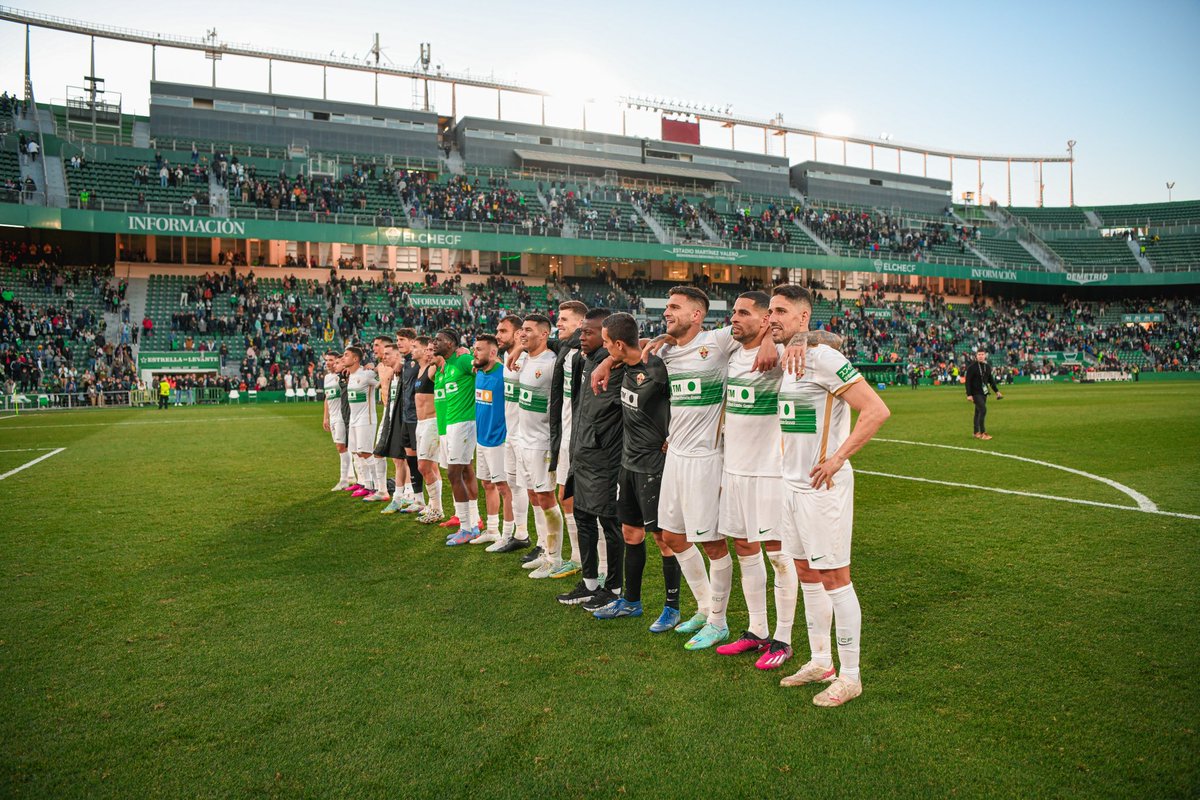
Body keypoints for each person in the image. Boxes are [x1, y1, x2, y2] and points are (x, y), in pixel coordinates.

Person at [768, 284, 891, 708]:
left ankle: (851, 676)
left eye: (782, 311)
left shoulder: (820, 356)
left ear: (804, 318)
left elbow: (875, 409)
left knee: (837, 578)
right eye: (770, 311)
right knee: (805, 573)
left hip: (823, 487)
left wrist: (838, 458)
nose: (772, 318)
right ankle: (821, 661)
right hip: (792, 487)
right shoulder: (790, 356)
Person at [643, 286, 777, 647]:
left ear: (696, 315)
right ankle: (703, 608)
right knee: (671, 536)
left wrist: (769, 340)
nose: (667, 312)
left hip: (707, 459)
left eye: (674, 307)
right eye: (667, 306)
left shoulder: (717, 342)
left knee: (714, 544)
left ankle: (719, 622)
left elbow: (765, 327)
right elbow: (627, 346)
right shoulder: (666, 349)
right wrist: (612, 359)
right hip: (675, 456)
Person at [592, 312, 670, 621]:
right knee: (630, 532)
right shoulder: (622, 362)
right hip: (628, 461)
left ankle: (672, 608)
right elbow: (624, 354)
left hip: (654, 464)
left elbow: (680, 401)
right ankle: (631, 601)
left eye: (608, 344)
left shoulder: (659, 368)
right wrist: (607, 362)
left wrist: (671, 435)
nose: (606, 349)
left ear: (620, 344)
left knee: (663, 538)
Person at [556, 308, 625, 607]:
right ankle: (589, 583)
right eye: (581, 330)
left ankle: (615, 589)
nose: (581, 336)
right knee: (582, 516)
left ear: (608, 337)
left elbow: (644, 343)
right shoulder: (584, 360)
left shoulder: (619, 365)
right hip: (581, 453)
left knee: (610, 524)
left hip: (607, 459)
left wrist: (610, 358)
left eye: (588, 332)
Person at [513, 314, 565, 578]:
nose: (522, 333)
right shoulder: (524, 359)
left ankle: (555, 559)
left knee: (546, 497)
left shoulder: (552, 363)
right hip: (523, 439)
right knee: (533, 494)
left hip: (542, 442)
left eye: (529, 330)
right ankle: (544, 548)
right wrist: (518, 349)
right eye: (521, 329)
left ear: (544, 334)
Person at [547, 300, 588, 579]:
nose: (557, 324)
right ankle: (577, 557)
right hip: (565, 434)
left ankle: (591, 563)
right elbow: (543, 340)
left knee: (585, 502)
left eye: (563, 319)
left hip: (582, 438)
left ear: (580, 324)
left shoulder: (587, 352)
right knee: (566, 496)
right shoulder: (565, 347)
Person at [433, 328, 480, 545]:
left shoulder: (462, 360)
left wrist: (470, 352)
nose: (434, 343)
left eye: (439, 340)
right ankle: (470, 524)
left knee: (454, 473)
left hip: (465, 423)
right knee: (459, 472)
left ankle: (467, 527)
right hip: (452, 424)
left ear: (451, 344)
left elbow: (483, 369)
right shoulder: (449, 364)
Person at [490, 315, 532, 554]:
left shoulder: (527, 358)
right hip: (511, 433)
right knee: (515, 485)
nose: (498, 335)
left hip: (527, 435)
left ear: (517, 334)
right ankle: (521, 534)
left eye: (502, 331)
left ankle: (544, 546)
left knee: (534, 491)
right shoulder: (508, 356)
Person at [467, 334, 513, 547]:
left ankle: (509, 534)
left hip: (499, 440)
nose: (474, 353)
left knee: (504, 487)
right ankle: (492, 529)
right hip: (482, 438)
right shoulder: (479, 372)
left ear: (493, 353)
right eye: (473, 349)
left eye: (479, 350)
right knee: (487, 484)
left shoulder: (504, 373)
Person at [413, 336, 447, 524]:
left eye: (431, 350)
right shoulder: (421, 369)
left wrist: (463, 351)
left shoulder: (434, 368)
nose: (428, 352)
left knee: (424, 467)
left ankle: (437, 508)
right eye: (426, 350)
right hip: (420, 423)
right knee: (431, 466)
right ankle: (433, 506)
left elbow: (445, 362)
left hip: (432, 422)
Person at [343, 345, 382, 499]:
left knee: (366, 452)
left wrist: (374, 368)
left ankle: (378, 486)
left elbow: (380, 382)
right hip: (354, 419)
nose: (343, 357)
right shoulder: (350, 375)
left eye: (346, 355)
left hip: (366, 419)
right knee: (358, 452)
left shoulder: (365, 375)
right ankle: (367, 484)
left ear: (355, 359)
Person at [394, 329, 425, 512]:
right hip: (407, 417)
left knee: (425, 463)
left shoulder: (422, 362)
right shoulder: (406, 362)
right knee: (411, 460)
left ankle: (430, 503)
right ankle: (417, 498)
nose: (399, 343)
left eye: (402, 340)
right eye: (397, 340)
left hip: (419, 418)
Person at [321, 350, 353, 491]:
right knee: (341, 447)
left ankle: (344, 479)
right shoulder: (327, 377)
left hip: (341, 416)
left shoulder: (344, 375)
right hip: (332, 417)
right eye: (326, 360)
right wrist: (325, 417)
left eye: (331, 360)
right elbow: (327, 397)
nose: (328, 363)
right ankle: (351, 476)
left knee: (342, 447)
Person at [964, 348, 1003, 440]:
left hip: (984, 393)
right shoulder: (972, 367)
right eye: (979, 355)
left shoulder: (987, 367)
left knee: (978, 412)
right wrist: (969, 395)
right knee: (983, 410)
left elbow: (991, 381)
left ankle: (975, 432)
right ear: (976, 356)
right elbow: (967, 382)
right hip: (975, 393)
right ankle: (983, 433)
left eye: (982, 354)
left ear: (985, 355)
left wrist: (997, 391)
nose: (981, 356)